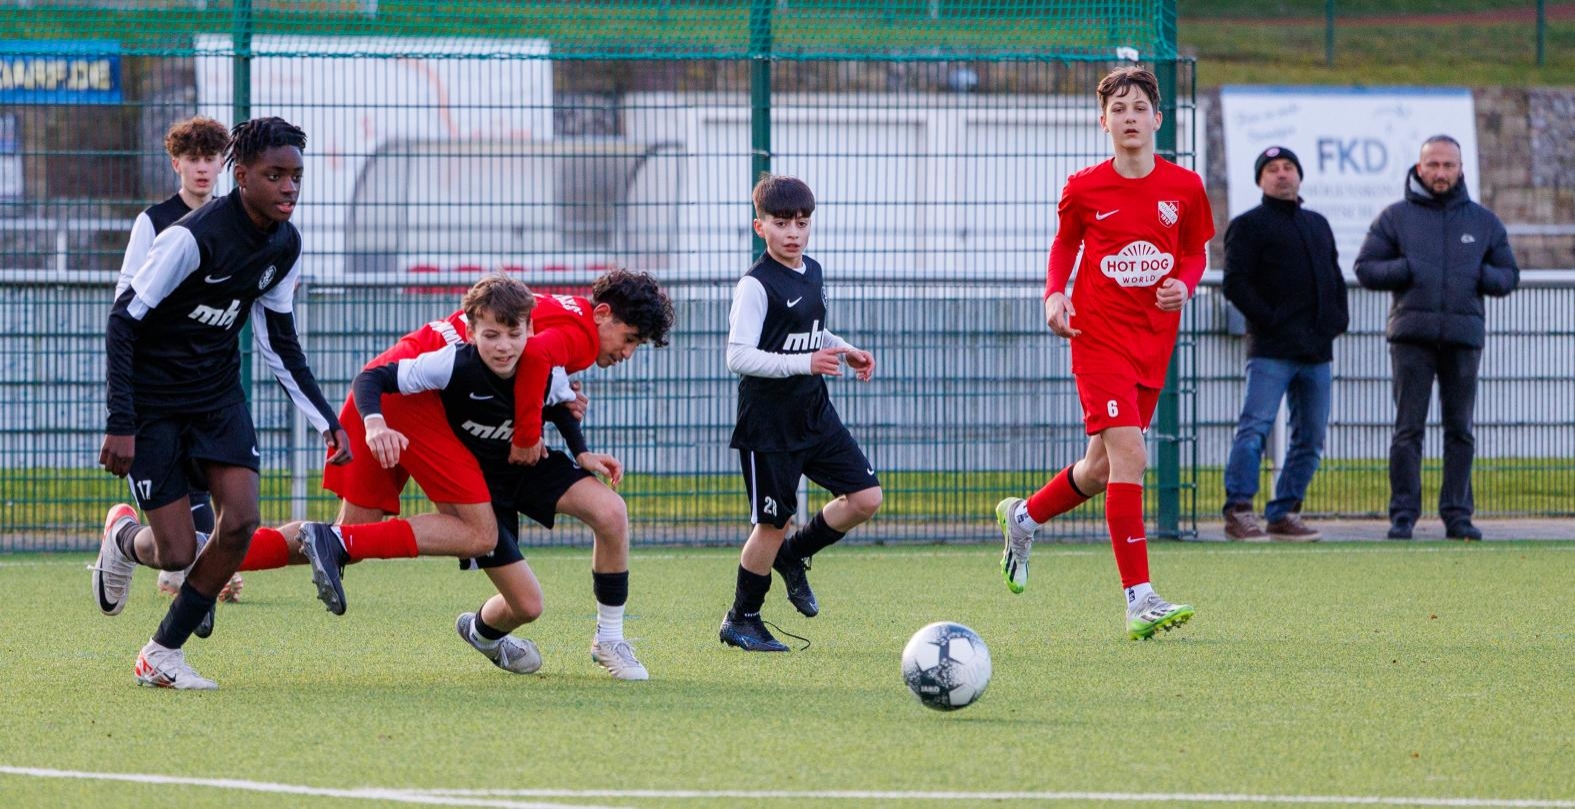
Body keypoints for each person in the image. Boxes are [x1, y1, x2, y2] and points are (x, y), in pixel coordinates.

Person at [236, 271, 674, 680]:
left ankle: (218, 555)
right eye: (629, 339)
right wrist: (527, 433)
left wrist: (574, 441)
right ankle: (236, 553)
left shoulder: (552, 333)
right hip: (403, 400)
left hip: (420, 410)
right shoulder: (546, 343)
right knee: (468, 533)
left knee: (351, 535)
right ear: (602, 314)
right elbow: (537, 359)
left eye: (513, 333)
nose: (627, 353)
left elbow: (546, 375)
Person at [95, 116, 350, 690]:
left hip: (216, 398)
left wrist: (326, 421)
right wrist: (121, 420)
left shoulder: (285, 244)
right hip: (154, 402)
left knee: (240, 521)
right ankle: (123, 539)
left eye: (296, 176)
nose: (289, 187)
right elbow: (123, 320)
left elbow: (278, 338)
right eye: (275, 175)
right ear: (242, 176)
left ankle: (161, 653)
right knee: (173, 550)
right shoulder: (191, 237)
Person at [993, 66, 1212, 640]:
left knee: (1098, 469)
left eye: (1139, 108)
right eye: (1119, 109)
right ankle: (1140, 600)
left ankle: (1023, 517)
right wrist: (1054, 293)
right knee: (1132, 456)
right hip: (1097, 339)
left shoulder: (1185, 187)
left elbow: (1195, 253)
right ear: (1103, 122)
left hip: (1152, 343)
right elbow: (1065, 243)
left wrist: (1185, 284)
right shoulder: (1084, 187)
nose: (1129, 118)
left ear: (1158, 119)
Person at [718, 173, 882, 653]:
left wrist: (844, 348)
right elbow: (738, 356)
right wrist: (805, 363)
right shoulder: (755, 285)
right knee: (772, 524)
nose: (793, 233)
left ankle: (793, 556)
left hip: (814, 412)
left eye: (802, 223)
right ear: (760, 227)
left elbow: (810, 332)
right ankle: (741, 619)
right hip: (769, 425)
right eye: (781, 223)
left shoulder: (813, 270)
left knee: (865, 498)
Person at [1354, 135, 1519, 541]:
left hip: (1463, 339)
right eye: (1433, 165)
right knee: (1407, 430)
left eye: (1448, 165)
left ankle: (1458, 515)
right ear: (1419, 167)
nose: (1441, 172)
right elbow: (1366, 268)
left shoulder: (1484, 222)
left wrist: (1480, 275)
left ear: (1460, 169)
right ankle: (1403, 515)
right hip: (1411, 339)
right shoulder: (1395, 218)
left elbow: (1508, 275)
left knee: (1460, 430)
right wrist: (1405, 270)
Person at [114, 115, 245, 602]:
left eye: (211, 158)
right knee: (179, 539)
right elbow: (125, 301)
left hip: (209, 380)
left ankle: (194, 568)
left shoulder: (236, 223)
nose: (203, 168)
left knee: (212, 478)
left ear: (224, 164)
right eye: (193, 158)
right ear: (176, 164)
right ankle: (155, 552)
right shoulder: (153, 221)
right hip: (158, 384)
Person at [1220, 146, 1349, 542]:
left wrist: (1337, 321)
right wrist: (1270, 319)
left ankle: (1284, 512)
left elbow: (1334, 277)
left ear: (1299, 175)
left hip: (1316, 352)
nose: (1281, 174)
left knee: (1310, 436)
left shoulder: (1317, 224)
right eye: (1272, 169)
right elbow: (1235, 283)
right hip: (1271, 351)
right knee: (1255, 429)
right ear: (1260, 180)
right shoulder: (1248, 225)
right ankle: (1239, 509)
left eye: (1288, 167)